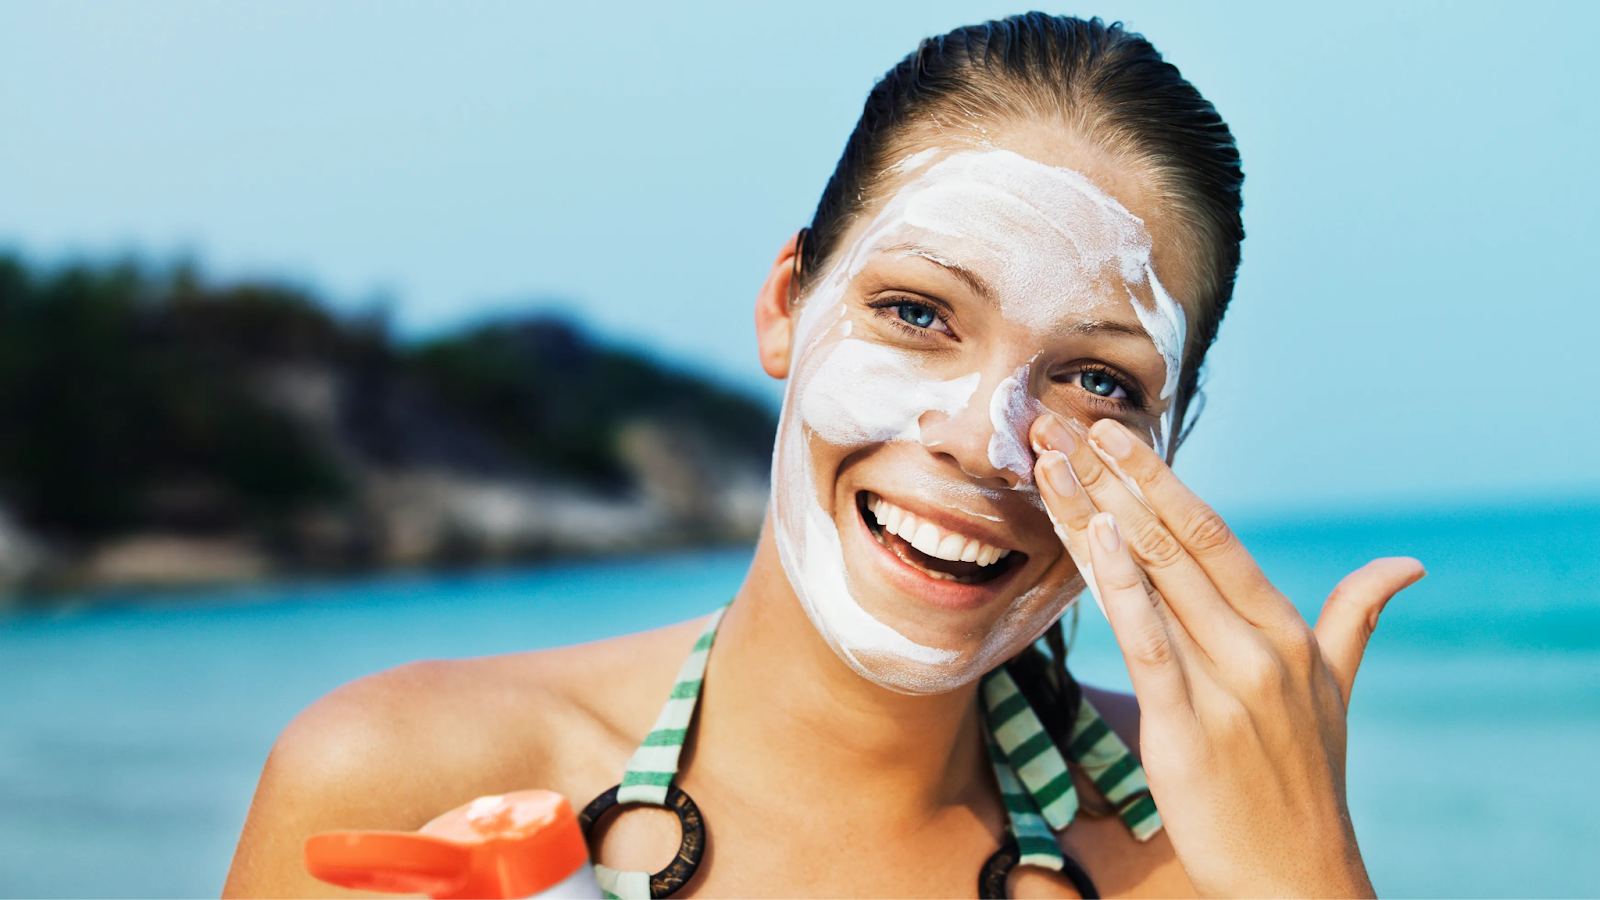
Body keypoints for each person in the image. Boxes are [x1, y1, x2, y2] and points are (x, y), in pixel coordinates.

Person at [223, 13, 1424, 899]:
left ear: (1171, 436)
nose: (981, 439)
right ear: (788, 302)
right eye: (916, 313)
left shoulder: (1205, 841)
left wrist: (1309, 872)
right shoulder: (404, 789)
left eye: (1096, 380)